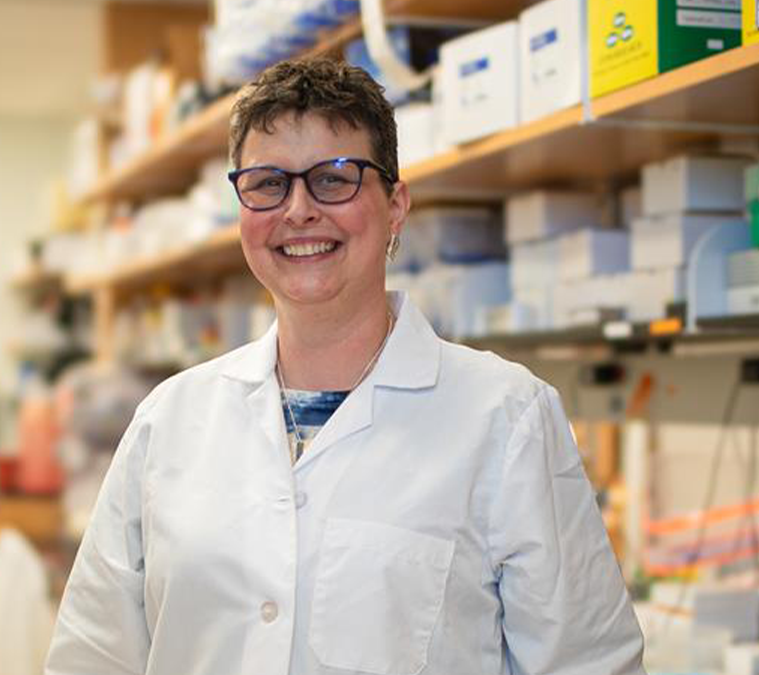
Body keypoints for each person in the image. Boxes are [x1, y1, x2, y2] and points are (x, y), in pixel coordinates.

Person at [45, 58, 644, 675]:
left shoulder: (506, 418)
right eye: (267, 182)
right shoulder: (167, 422)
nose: (299, 209)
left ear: (395, 205)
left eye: (334, 178)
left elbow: (590, 664)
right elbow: (92, 656)